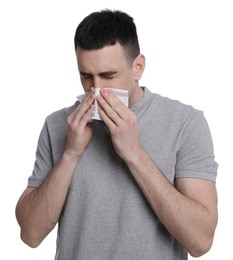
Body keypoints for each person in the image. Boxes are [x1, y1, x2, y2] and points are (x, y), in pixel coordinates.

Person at [15, 9, 218, 260]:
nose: (97, 89)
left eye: (108, 75)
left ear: (138, 67)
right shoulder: (58, 124)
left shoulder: (186, 122)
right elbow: (30, 235)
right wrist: (70, 153)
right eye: (86, 76)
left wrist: (134, 153)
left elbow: (200, 241)